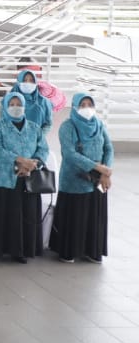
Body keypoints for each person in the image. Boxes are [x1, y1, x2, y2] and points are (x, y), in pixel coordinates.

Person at [0, 91, 48, 263]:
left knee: (25, 214)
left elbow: (43, 149)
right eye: (12, 104)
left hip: (28, 178)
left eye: (19, 104)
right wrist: (21, 161)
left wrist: (33, 164)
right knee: (2, 214)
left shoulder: (34, 128)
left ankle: (21, 251)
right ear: (5, 106)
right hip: (3, 178)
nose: (15, 107)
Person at [50, 93, 113, 263]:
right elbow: (70, 154)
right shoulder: (68, 126)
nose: (86, 108)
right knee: (76, 217)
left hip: (97, 180)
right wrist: (97, 167)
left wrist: (105, 172)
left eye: (89, 104)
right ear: (75, 107)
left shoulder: (99, 124)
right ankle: (69, 250)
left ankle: (92, 250)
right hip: (74, 180)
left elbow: (108, 148)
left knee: (94, 215)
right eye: (82, 105)